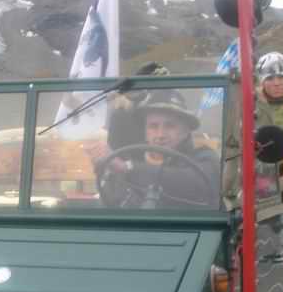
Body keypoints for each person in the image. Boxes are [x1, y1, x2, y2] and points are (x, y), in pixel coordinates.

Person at [91, 89, 219, 209]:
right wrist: (106, 168)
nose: (160, 134)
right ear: (145, 132)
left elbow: (196, 184)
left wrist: (127, 168)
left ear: (185, 131)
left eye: (170, 126)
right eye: (153, 126)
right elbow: (110, 206)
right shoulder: (130, 159)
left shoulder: (204, 158)